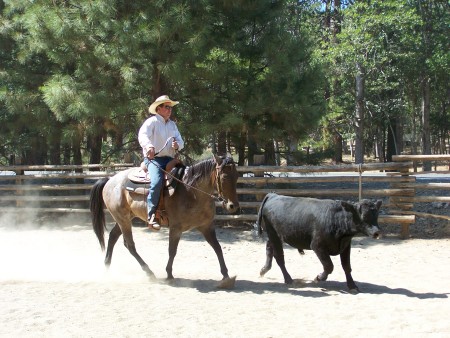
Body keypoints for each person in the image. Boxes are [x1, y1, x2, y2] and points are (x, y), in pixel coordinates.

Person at [138, 95, 184, 230]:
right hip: (154, 159)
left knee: (187, 176)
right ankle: (151, 215)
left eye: (170, 107)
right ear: (159, 109)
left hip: (170, 159)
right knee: (157, 182)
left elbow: (181, 142)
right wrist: (148, 146)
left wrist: (178, 145)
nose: (170, 110)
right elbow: (142, 135)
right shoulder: (151, 122)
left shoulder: (172, 125)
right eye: (167, 107)